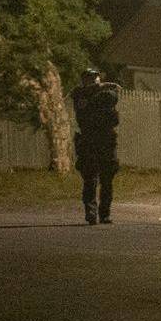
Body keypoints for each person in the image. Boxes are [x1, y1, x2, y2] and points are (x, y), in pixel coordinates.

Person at [71, 66, 123, 225]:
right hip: (88, 140)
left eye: (95, 77)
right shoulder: (79, 94)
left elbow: (111, 97)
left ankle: (105, 214)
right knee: (90, 177)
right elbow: (82, 99)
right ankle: (91, 212)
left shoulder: (107, 94)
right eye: (88, 78)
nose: (93, 80)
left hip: (106, 140)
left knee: (107, 179)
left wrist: (99, 90)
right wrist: (101, 87)